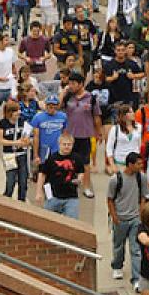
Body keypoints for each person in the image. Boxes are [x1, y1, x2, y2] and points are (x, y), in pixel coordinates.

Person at [107, 152, 149, 288]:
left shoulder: (141, 177)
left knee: (136, 249)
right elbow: (110, 199)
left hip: (135, 219)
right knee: (118, 246)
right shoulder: (116, 179)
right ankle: (117, 266)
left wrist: (140, 214)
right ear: (130, 164)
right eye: (138, 163)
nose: (141, 165)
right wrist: (114, 217)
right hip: (120, 219)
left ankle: (137, 279)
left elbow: (143, 197)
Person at [62, 71, 103, 199]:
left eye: (73, 83)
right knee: (67, 162)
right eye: (69, 83)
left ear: (81, 84)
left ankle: (86, 187)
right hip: (70, 136)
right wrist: (63, 92)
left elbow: (96, 117)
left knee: (85, 163)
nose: (71, 86)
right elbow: (57, 107)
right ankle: (67, 186)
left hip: (85, 136)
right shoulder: (68, 97)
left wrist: (99, 133)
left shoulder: (91, 98)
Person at [35, 133, 84, 220]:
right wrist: (39, 192)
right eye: (64, 144)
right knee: (47, 221)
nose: (66, 147)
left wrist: (79, 179)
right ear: (59, 144)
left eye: (69, 144)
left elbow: (81, 172)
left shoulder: (77, 158)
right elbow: (42, 174)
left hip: (71, 197)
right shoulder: (51, 158)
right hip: (53, 196)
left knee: (72, 223)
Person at [0, 101, 31, 201]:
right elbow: (0, 140)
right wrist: (15, 143)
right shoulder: (3, 123)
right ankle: (6, 200)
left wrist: (27, 141)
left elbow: (27, 136)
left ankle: (22, 202)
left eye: (19, 110)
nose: (18, 112)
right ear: (10, 112)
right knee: (10, 181)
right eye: (16, 111)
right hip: (9, 155)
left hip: (22, 154)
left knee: (23, 182)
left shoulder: (22, 122)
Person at [31, 95, 68, 167]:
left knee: (57, 170)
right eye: (49, 104)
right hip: (43, 149)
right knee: (43, 170)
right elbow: (36, 137)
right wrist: (35, 155)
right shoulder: (38, 117)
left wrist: (65, 150)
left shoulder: (63, 116)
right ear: (45, 105)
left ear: (57, 106)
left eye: (53, 104)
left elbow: (65, 135)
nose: (51, 107)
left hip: (57, 148)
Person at [105, 105, 142, 173]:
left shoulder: (139, 127)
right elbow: (109, 148)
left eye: (133, 111)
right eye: (130, 112)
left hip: (135, 164)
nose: (133, 113)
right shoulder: (115, 129)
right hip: (120, 163)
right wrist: (112, 164)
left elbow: (139, 145)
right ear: (124, 116)